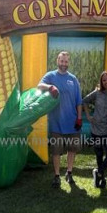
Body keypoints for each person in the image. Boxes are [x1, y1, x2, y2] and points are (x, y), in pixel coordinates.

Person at [38, 51, 83, 188]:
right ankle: (57, 175)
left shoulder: (73, 79)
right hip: (56, 123)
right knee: (56, 151)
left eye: (66, 61)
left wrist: (79, 118)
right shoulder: (50, 76)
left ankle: (69, 173)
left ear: (69, 63)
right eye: (61, 61)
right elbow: (39, 86)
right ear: (57, 61)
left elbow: (78, 101)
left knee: (72, 149)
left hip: (72, 122)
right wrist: (50, 87)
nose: (64, 64)